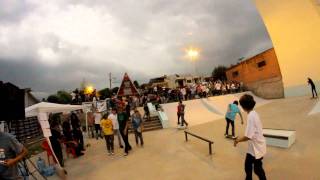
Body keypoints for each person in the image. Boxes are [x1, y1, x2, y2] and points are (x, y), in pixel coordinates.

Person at [234, 94, 267, 180]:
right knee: (249, 166)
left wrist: (237, 140)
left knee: (256, 169)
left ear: (243, 106)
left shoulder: (251, 117)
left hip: (256, 148)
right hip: (255, 146)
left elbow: (248, 136)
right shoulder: (254, 113)